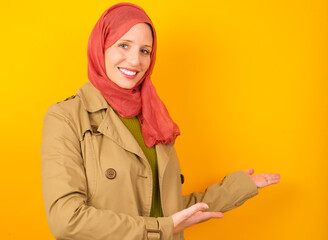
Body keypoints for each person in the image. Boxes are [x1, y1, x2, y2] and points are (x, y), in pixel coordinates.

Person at [41, 3, 281, 240]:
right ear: (100, 46)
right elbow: (66, 220)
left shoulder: (153, 117)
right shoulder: (67, 117)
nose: (135, 61)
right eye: (124, 45)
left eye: (145, 51)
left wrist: (234, 189)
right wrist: (157, 230)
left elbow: (166, 211)